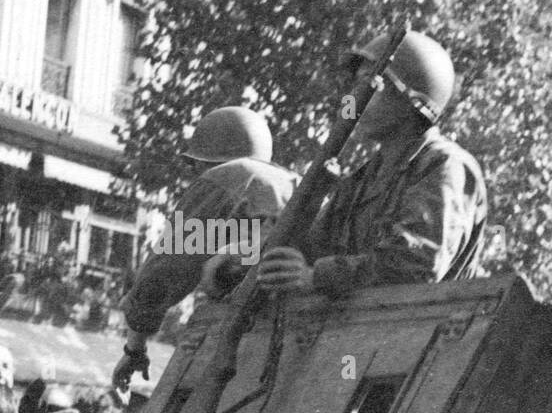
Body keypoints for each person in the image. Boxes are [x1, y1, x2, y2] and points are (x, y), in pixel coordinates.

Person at [255, 29, 488, 299]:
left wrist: (315, 276)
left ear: (413, 102)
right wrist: (242, 259)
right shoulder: (362, 179)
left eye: (370, 85)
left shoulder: (446, 166)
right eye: (356, 85)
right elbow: (308, 245)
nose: (353, 99)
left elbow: (416, 266)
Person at [113, 107, 298, 391]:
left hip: (237, 334)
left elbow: (166, 270)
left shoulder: (227, 177)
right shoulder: (294, 182)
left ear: (204, 162)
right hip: (297, 333)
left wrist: (134, 349)